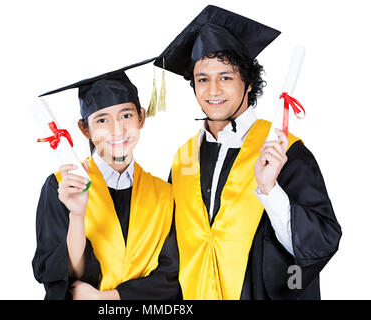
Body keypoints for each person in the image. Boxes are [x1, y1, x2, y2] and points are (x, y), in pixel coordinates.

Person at [154, 5, 342, 299]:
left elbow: (320, 244)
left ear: (249, 82)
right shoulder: (183, 158)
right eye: (203, 79)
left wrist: (269, 190)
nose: (213, 90)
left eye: (225, 77)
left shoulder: (284, 151)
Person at [32, 58, 180, 300]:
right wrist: (77, 216)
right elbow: (63, 276)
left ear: (141, 118)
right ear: (84, 128)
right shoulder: (62, 185)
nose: (117, 129)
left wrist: (107, 298)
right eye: (102, 120)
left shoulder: (165, 194)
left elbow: (171, 276)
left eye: (126, 115)